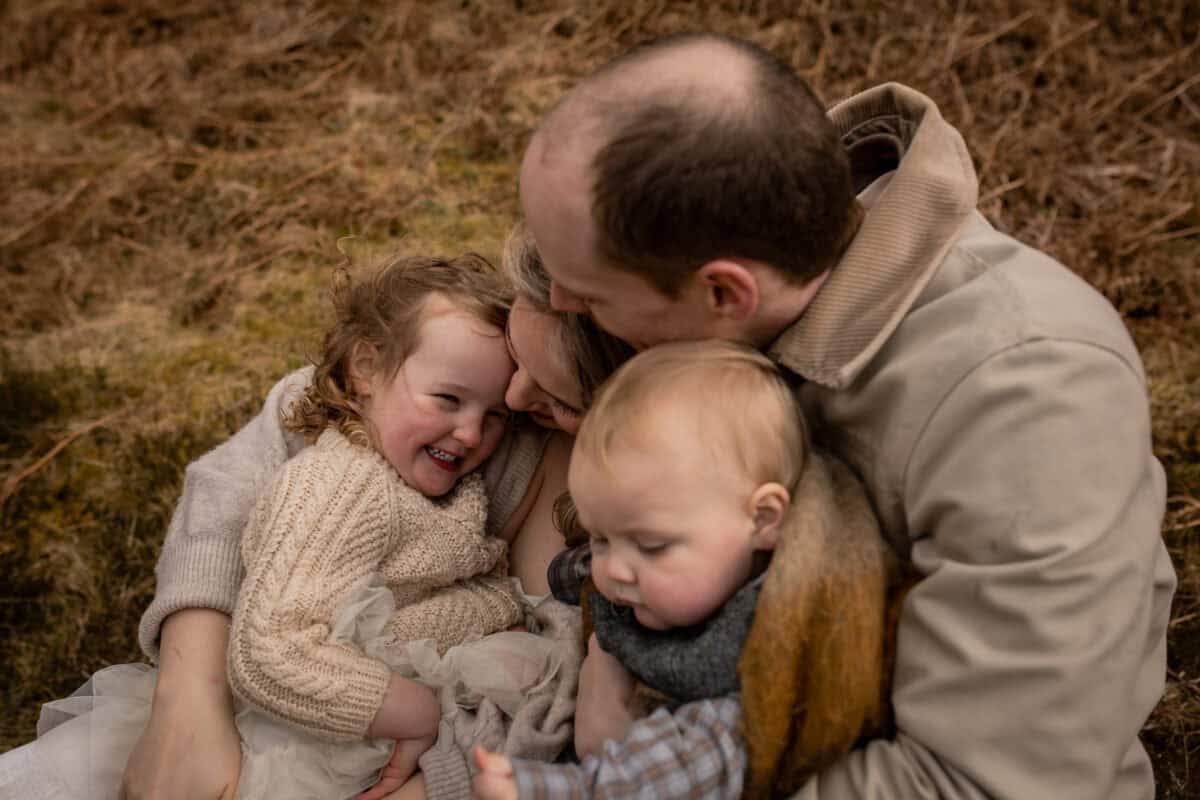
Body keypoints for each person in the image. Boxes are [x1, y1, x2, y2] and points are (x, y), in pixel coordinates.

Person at [517, 32, 1175, 799]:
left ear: (726, 293)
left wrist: (638, 774)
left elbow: (991, 780)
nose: (562, 305)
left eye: (590, 294)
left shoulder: (1029, 394)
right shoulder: (726, 261)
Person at [0, 254, 584, 800]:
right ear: (365, 367)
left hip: (356, 727)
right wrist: (190, 698)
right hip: (295, 735)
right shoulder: (344, 483)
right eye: (448, 399)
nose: (474, 430)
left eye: (496, 417)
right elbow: (271, 648)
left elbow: (464, 587)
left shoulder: (447, 470)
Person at [472, 340, 902, 800]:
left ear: (763, 520)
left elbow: (687, 762)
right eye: (601, 538)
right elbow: (581, 568)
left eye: (652, 546)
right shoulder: (679, 557)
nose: (613, 570)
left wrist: (548, 789)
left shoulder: (760, 646)